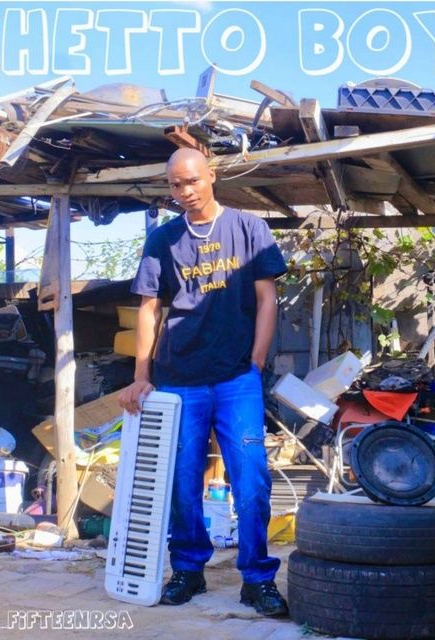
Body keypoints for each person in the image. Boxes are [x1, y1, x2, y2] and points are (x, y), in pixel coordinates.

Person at [117, 147, 289, 617]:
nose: (185, 191)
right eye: (175, 185)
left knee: (251, 479)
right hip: (179, 377)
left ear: (211, 176)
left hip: (236, 378)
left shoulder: (248, 228)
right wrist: (141, 375)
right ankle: (189, 569)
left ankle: (257, 578)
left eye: (192, 181)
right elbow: (149, 308)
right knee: (181, 481)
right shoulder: (163, 239)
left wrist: (255, 362)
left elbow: (267, 298)